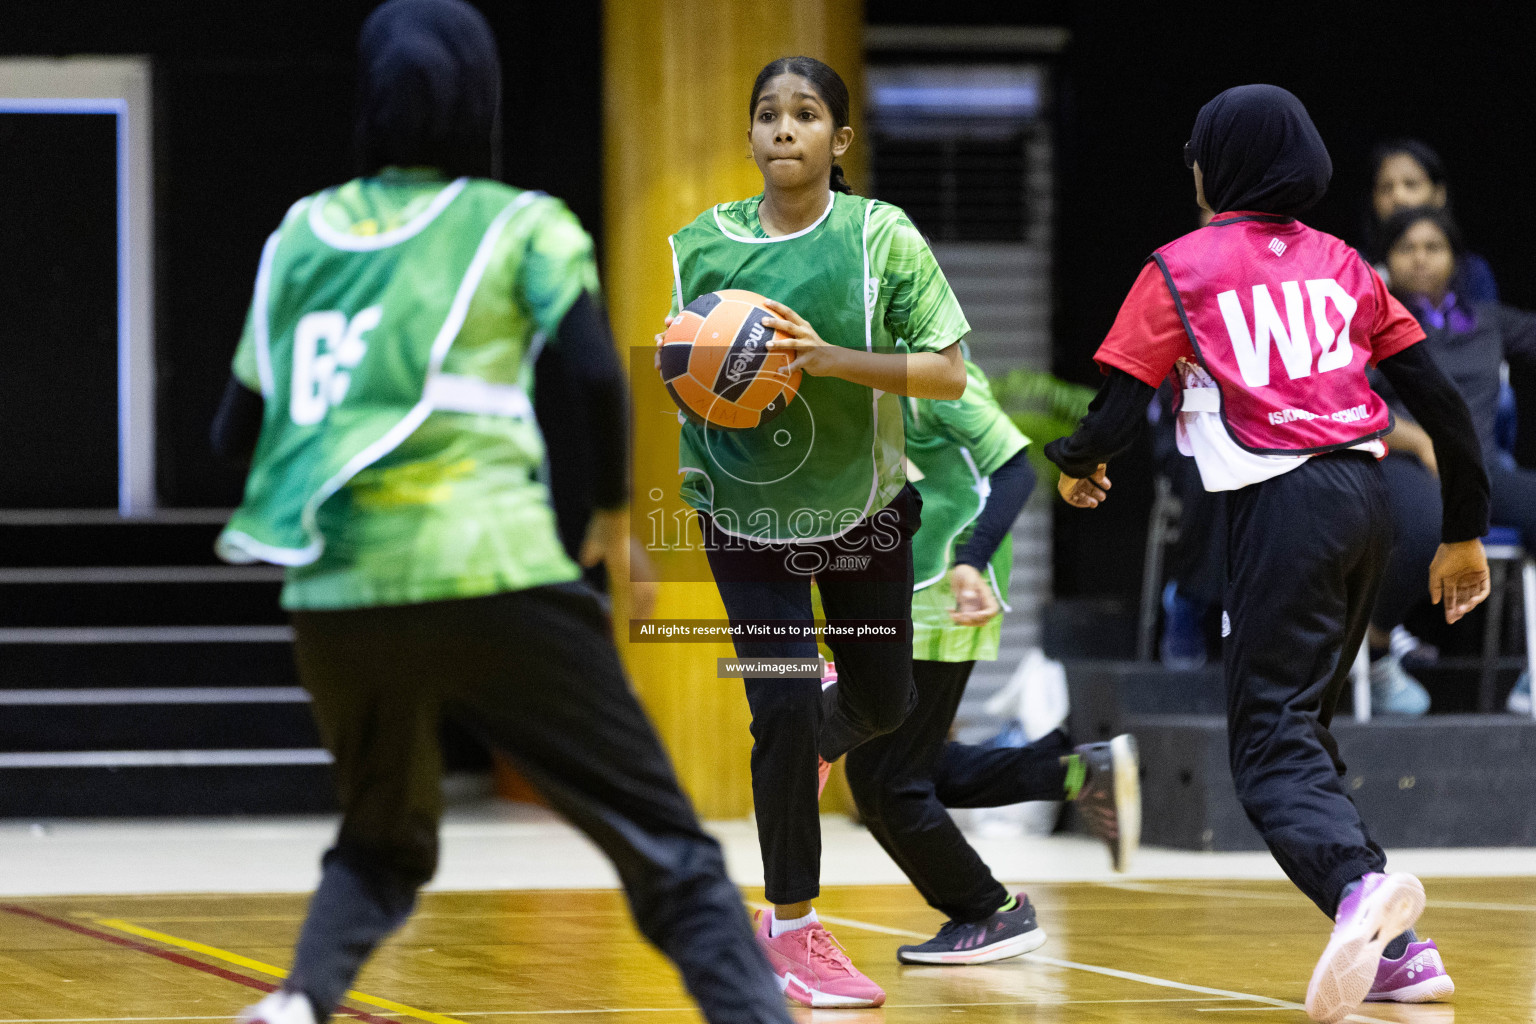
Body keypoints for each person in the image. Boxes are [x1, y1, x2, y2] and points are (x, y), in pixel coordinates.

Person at [210, 4, 792, 1024]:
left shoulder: (299, 234)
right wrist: (612, 516)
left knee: (382, 841)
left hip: (337, 592)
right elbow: (593, 376)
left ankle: (299, 1002)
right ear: (480, 99)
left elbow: (231, 434)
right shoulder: (521, 221)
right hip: (493, 573)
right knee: (669, 851)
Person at [1044, 85, 1489, 1023]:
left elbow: (1120, 408)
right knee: (1301, 729)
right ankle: (1401, 953)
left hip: (1284, 508)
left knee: (1265, 748)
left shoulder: (1180, 267)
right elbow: (1444, 408)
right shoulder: (1344, 265)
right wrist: (1460, 534)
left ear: (1219, 167)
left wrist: (1076, 466)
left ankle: (1360, 892)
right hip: (1371, 505)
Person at [662, 55, 966, 1007]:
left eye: (803, 115)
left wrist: (826, 360)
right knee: (780, 710)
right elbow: (678, 373)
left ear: (838, 140)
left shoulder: (883, 238)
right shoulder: (697, 248)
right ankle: (789, 926)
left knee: (885, 703)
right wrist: (727, 382)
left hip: (863, 513)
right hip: (744, 515)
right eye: (766, 115)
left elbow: (949, 374)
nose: (782, 129)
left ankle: (835, 717)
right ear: (750, 137)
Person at [839, 351, 1139, 966]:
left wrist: (971, 560)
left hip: (949, 588)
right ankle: (1073, 771)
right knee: (892, 770)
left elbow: (1014, 470)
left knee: (890, 780)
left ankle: (989, 911)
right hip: (900, 583)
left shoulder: (935, 373)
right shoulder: (854, 372)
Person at [1367, 205, 1536, 714]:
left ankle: (1533, 671)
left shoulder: (1487, 322)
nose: (1420, 258)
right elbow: (1348, 402)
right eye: (1406, 248)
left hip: (1476, 465)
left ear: (1455, 260)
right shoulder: (1370, 321)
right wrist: (1420, 441)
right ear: (1387, 260)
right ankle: (1374, 650)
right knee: (1426, 531)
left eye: (1433, 247)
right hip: (1400, 460)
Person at [1364, 139, 1498, 303]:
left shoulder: (1471, 271)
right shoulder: (1354, 266)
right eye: (1386, 187)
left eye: (1411, 184)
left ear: (1439, 194)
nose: (1398, 197)